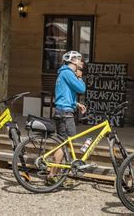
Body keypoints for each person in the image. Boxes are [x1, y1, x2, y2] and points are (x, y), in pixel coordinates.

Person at [48, 50, 87, 184]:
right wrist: (79, 77)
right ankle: (52, 176)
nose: (82, 62)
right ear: (74, 61)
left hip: (63, 110)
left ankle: (55, 175)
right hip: (65, 114)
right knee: (64, 144)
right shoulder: (69, 73)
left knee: (63, 144)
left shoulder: (63, 73)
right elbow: (81, 89)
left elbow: (63, 94)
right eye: (80, 60)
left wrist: (75, 103)